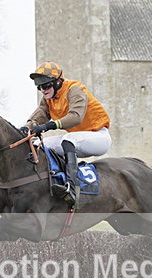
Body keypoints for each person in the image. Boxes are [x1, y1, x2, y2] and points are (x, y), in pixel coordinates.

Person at [23, 61, 111, 207]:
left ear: (58, 82)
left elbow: (76, 116)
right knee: (39, 144)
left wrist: (50, 125)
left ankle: (72, 187)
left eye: (46, 85)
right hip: (78, 139)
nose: (43, 90)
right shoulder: (48, 98)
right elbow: (40, 115)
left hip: (99, 137)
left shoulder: (74, 90)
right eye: (39, 87)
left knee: (68, 140)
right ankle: (51, 182)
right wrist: (26, 128)